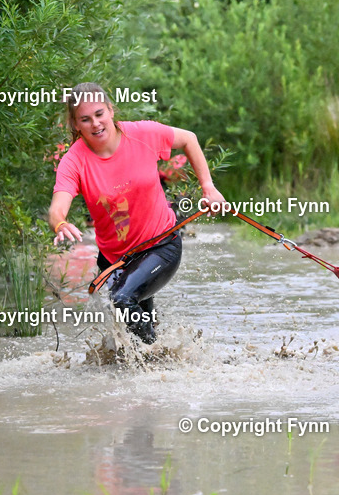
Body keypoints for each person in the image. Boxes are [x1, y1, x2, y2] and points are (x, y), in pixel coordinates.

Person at [49, 83, 226, 343]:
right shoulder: (74, 160)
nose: (95, 124)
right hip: (115, 260)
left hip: (161, 244)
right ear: (75, 125)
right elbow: (57, 207)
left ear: (111, 110)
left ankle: (156, 359)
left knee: (123, 299)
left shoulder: (142, 133)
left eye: (99, 114)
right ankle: (160, 364)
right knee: (132, 328)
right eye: (85, 119)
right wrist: (60, 223)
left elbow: (188, 138)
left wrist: (208, 187)